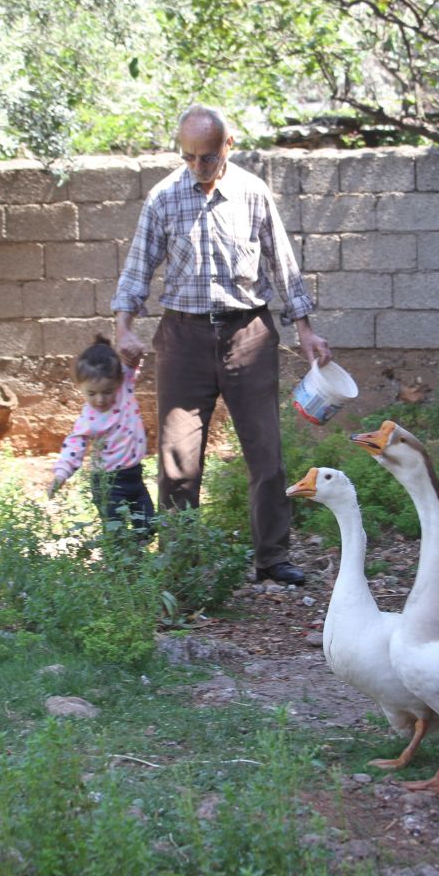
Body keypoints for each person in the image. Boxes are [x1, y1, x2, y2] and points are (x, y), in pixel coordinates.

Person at [111, 104, 331, 585]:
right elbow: (137, 269)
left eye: (206, 157)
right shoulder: (164, 198)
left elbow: (282, 264)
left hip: (247, 334)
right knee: (178, 460)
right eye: (187, 157)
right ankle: (180, 566)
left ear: (228, 146)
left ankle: (272, 559)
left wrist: (306, 329)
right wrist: (124, 326)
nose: (196, 167)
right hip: (182, 338)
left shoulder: (253, 194)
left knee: (266, 456)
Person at [49, 335, 155, 539]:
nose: (100, 399)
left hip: (134, 475)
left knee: (148, 526)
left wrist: (134, 351)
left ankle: (138, 563)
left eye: (107, 392)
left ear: (119, 382)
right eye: (92, 393)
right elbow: (74, 445)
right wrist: (61, 474)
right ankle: (119, 568)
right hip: (108, 483)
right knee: (117, 536)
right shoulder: (89, 419)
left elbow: (132, 364)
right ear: (79, 387)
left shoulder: (125, 389)